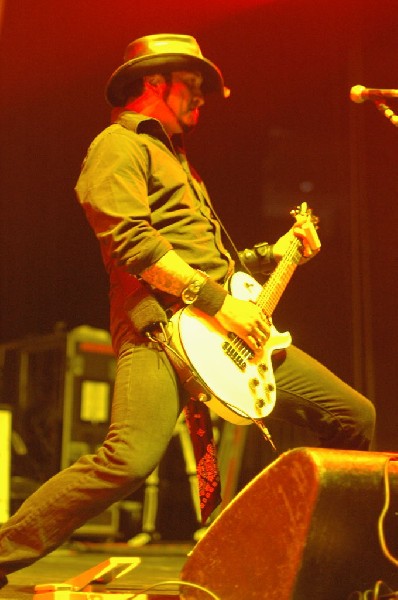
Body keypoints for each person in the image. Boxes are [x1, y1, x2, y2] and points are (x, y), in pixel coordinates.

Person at [0, 33, 375, 588]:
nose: (202, 100)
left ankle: (318, 564)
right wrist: (219, 303)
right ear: (155, 82)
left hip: (227, 327)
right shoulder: (119, 144)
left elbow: (212, 258)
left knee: (353, 417)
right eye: (193, 87)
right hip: (160, 328)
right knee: (128, 459)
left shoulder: (180, 162)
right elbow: (132, 242)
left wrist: (277, 252)